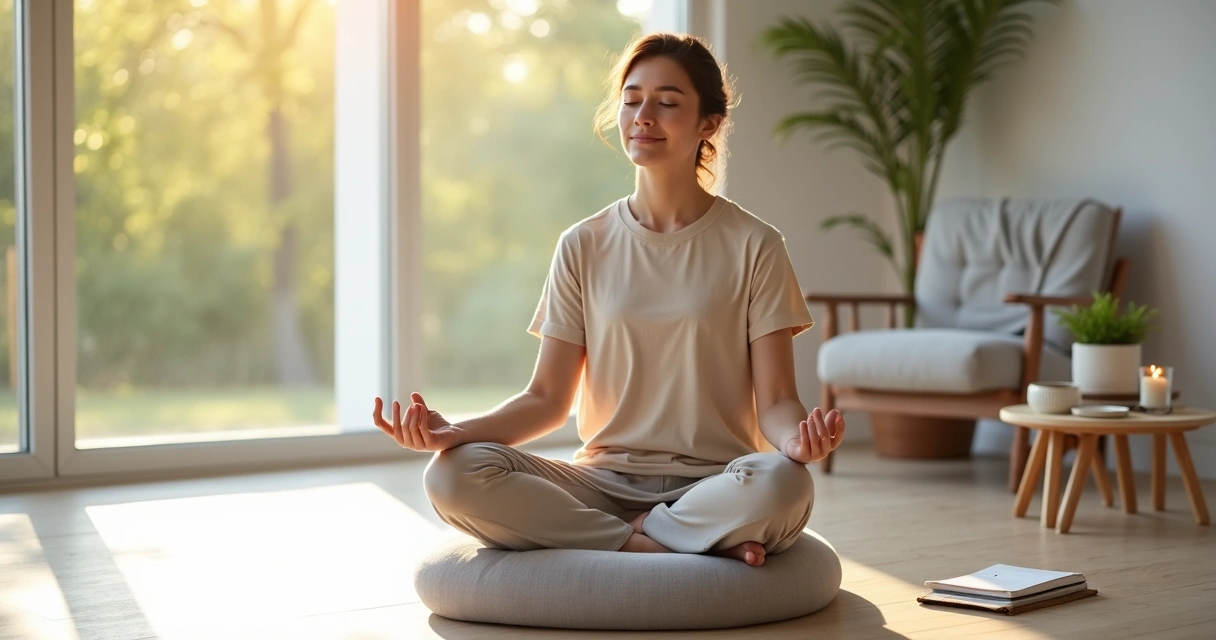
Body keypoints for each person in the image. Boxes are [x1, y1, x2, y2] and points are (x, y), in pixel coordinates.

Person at [372, 32, 844, 567]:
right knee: (453, 473)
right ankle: (658, 539)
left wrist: (796, 443)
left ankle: (627, 535)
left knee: (785, 484)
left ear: (708, 123)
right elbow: (547, 399)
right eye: (631, 99)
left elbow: (778, 400)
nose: (643, 115)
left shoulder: (756, 245)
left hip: (715, 483)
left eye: (667, 103)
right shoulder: (583, 243)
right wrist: (453, 433)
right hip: (599, 483)